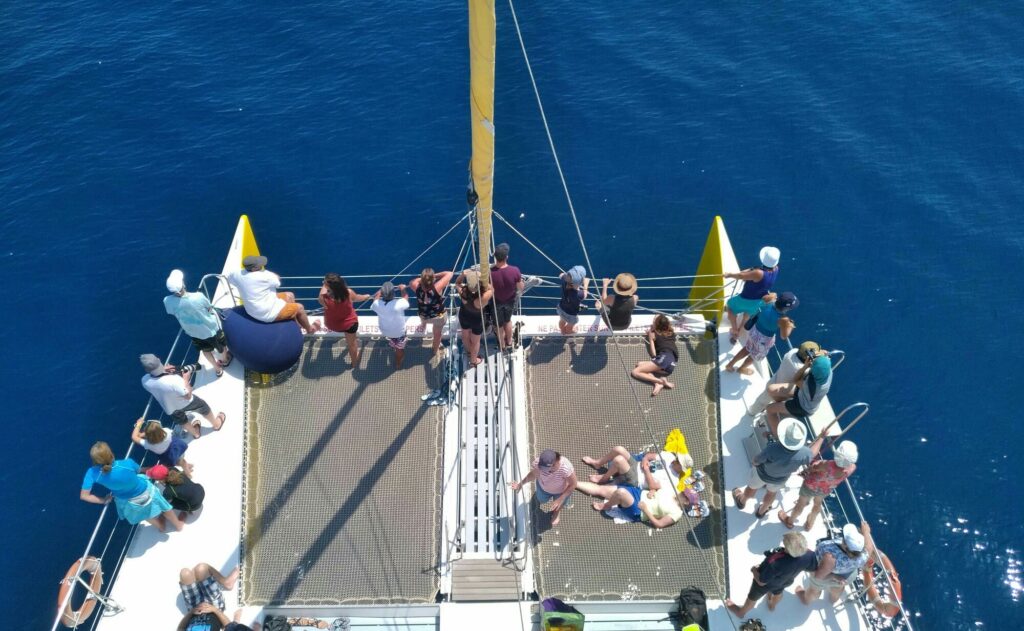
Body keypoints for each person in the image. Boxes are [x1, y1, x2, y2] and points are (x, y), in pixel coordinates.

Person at [578, 446, 706, 523]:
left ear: (681, 468)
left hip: (636, 480)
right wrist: (644, 460)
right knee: (619, 449)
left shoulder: (673, 481)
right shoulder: (669, 457)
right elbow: (649, 455)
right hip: (637, 465)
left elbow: (653, 486)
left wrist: (646, 471)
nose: (676, 460)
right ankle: (597, 463)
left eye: (678, 461)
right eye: (677, 458)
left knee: (619, 460)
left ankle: (604, 479)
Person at [79, 441, 184, 532]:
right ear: (111, 453)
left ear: (96, 461)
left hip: (128, 501)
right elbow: (140, 470)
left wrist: (104, 500)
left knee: (143, 513)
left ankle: (161, 527)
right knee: (165, 507)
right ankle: (178, 525)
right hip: (145, 491)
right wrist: (156, 469)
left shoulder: (92, 473)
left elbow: (84, 496)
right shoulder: (127, 463)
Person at [732, 417, 823, 519]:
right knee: (771, 494)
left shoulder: (772, 448)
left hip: (762, 474)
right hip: (780, 480)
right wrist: (822, 437)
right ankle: (762, 511)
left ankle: (742, 501)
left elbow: (756, 460)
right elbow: (813, 453)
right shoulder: (805, 453)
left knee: (752, 488)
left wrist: (755, 463)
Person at [725, 532, 816, 617]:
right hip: (785, 581)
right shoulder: (809, 555)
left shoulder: (774, 562)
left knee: (752, 598)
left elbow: (761, 582)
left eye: (785, 543)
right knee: (778, 592)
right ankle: (772, 606)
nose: (783, 540)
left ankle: (740, 612)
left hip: (766, 585)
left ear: (789, 549)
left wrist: (754, 570)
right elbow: (813, 567)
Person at [226, 255, 319, 334]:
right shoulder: (265, 275)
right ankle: (309, 329)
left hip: (253, 310)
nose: (262, 265)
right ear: (254, 268)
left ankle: (297, 324)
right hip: (268, 314)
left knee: (289, 295)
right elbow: (277, 281)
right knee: (300, 307)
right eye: (259, 265)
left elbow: (229, 278)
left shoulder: (237, 274)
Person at [164, 269, 232, 377]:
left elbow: (172, 312)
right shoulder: (198, 297)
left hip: (193, 332)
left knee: (205, 350)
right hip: (210, 330)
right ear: (183, 284)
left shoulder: (167, 300)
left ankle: (217, 369)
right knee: (221, 347)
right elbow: (209, 308)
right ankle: (225, 361)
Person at [140, 354, 224, 439]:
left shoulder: (144, 381)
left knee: (182, 421)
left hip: (170, 408)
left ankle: (196, 433)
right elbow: (188, 395)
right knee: (203, 406)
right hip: (185, 403)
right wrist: (186, 378)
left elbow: (157, 380)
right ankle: (216, 424)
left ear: (147, 369)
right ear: (158, 359)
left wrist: (163, 370)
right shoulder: (174, 380)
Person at [779, 440, 858, 530]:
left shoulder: (827, 464)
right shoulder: (850, 469)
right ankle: (809, 524)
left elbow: (813, 469)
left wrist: (814, 465)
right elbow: (851, 465)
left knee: (801, 503)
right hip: (825, 490)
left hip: (810, 486)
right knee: (817, 505)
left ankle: (789, 521)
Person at [797, 522, 873, 605]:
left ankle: (806, 600)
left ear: (845, 546)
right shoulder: (863, 555)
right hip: (847, 576)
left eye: (844, 538)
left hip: (829, 575)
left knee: (814, 590)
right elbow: (869, 547)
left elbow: (819, 576)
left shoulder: (830, 557)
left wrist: (835, 576)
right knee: (837, 588)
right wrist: (866, 532)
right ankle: (833, 600)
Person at [725, 291, 798, 376]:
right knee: (754, 356)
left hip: (754, 331)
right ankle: (742, 368)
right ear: (786, 308)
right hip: (763, 340)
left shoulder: (769, 300)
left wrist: (774, 296)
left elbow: (771, 295)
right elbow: (784, 336)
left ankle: (730, 364)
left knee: (747, 348)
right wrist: (790, 326)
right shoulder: (783, 320)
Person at [747, 341, 821, 416]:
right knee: (774, 409)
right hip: (781, 395)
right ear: (809, 358)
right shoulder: (805, 369)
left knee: (761, 401)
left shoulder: (792, 352)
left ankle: (752, 411)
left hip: (772, 383)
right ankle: (764, 417)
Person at [723, 247, 780, 345]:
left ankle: (735, 329)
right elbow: (755, 270)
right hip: (758, 301)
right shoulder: (776, 269)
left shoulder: (758, 273)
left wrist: (729, 275)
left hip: (746, 299)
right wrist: (750, 270)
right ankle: (739, 331)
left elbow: (741, 276)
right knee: (746, 315)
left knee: (730, 306)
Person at [175, 564, 256, 631]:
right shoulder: (215, 609)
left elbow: (180, 628)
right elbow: (228, 626)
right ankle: (226, 583)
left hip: (194, 608)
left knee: (184, 573)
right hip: (214, 607)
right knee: (201, 568)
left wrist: (191, 612)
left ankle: (198, 582)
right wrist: (214, 609)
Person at [510, 449, 577, 527]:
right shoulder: (539, 464)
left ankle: (556, 513)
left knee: (558, 505)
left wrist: (560, 499)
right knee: (541, 499)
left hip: (561, 492)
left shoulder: (566, 468)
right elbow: (533, 475)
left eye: (548, 469)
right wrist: (520, 484)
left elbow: (573, 484)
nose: (545, 471)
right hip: (543, 488)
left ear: (556, 463)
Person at [318, 273, 371, 365]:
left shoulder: (323, 298)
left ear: (328, 286)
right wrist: (367, 296)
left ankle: (354, 361)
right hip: (350, 324)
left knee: (348, 338)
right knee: (352, 344)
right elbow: (358, 298)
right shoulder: (348, 293)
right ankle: (354, 363)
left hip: (333, 325)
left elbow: (322, 292)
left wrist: (325, 284)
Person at [765, 353, 833, 424]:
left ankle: (777, 434)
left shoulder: (810, 385)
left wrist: (805, 366)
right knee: (771, 389)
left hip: (802, 407)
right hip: (804, 394)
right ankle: (781, 407)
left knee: (769, 409)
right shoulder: (828, 372)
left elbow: (796, 380)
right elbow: (823, 361)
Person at [487, 243, 524, 349]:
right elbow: (520, 287)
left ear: (495, 256)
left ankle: (502, 345)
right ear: (506, 257)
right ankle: (508, 341)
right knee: (507, 321)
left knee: (498, 325)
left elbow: (488, 288)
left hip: (496, 302)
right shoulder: (515, 270)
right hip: (509, 301)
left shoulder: (490, 272)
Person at [409, 268, 454, 355]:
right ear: (432, 280)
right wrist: (434, 276)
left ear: (422, 279)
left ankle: (423, 325)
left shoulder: (415, 286)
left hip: (424, 314)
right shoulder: (437, 288)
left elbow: (411, 282)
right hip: (438, 315)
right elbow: (449, 273)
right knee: (437, 334)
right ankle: (434, 350)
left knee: (423, 319)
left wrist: (423, 279)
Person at [631, 314, 678, 396]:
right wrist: (653, 332)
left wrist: (650, 337)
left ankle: (660, 381)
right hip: (671, 364)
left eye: (654, 320)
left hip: (664, 358)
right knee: (639, 364)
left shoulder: (654, 334)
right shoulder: (671, 332)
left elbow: (653, 354)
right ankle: (657, 384)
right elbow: (663, 340)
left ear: (656, 324)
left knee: (635, 372)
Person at [455, 270, 493, 367]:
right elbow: (492, 289)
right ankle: (473, 361)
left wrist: (463, 274)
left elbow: (457, 283)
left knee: (465, 335)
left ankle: (468, 352)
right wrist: (481, 278)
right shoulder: (482, 298)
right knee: (475, 342)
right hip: (477, 321)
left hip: (464, 316)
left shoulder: (462, 292)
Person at [370, 281, 410, 369]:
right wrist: (402, 289)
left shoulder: (376, 305)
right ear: (393, 294)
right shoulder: (399, 303)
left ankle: (393, 343)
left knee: (393, 338)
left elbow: (375, 300)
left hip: (385, 331)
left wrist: (379, 292)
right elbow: (406, 298)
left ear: (382, 294)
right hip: (399, 333)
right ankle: (398, 363)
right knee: (399, 349)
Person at [556, 265, 589, 335]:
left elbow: (560, 275)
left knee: (562, 320)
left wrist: (565, 275)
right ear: (580, 281)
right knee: (570, 325)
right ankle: (569, 331)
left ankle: (562, 330)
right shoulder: (579, 294)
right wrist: (586, 285)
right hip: (571, 314)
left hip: (561, 308)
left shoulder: (565, 280)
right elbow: (585, 295)